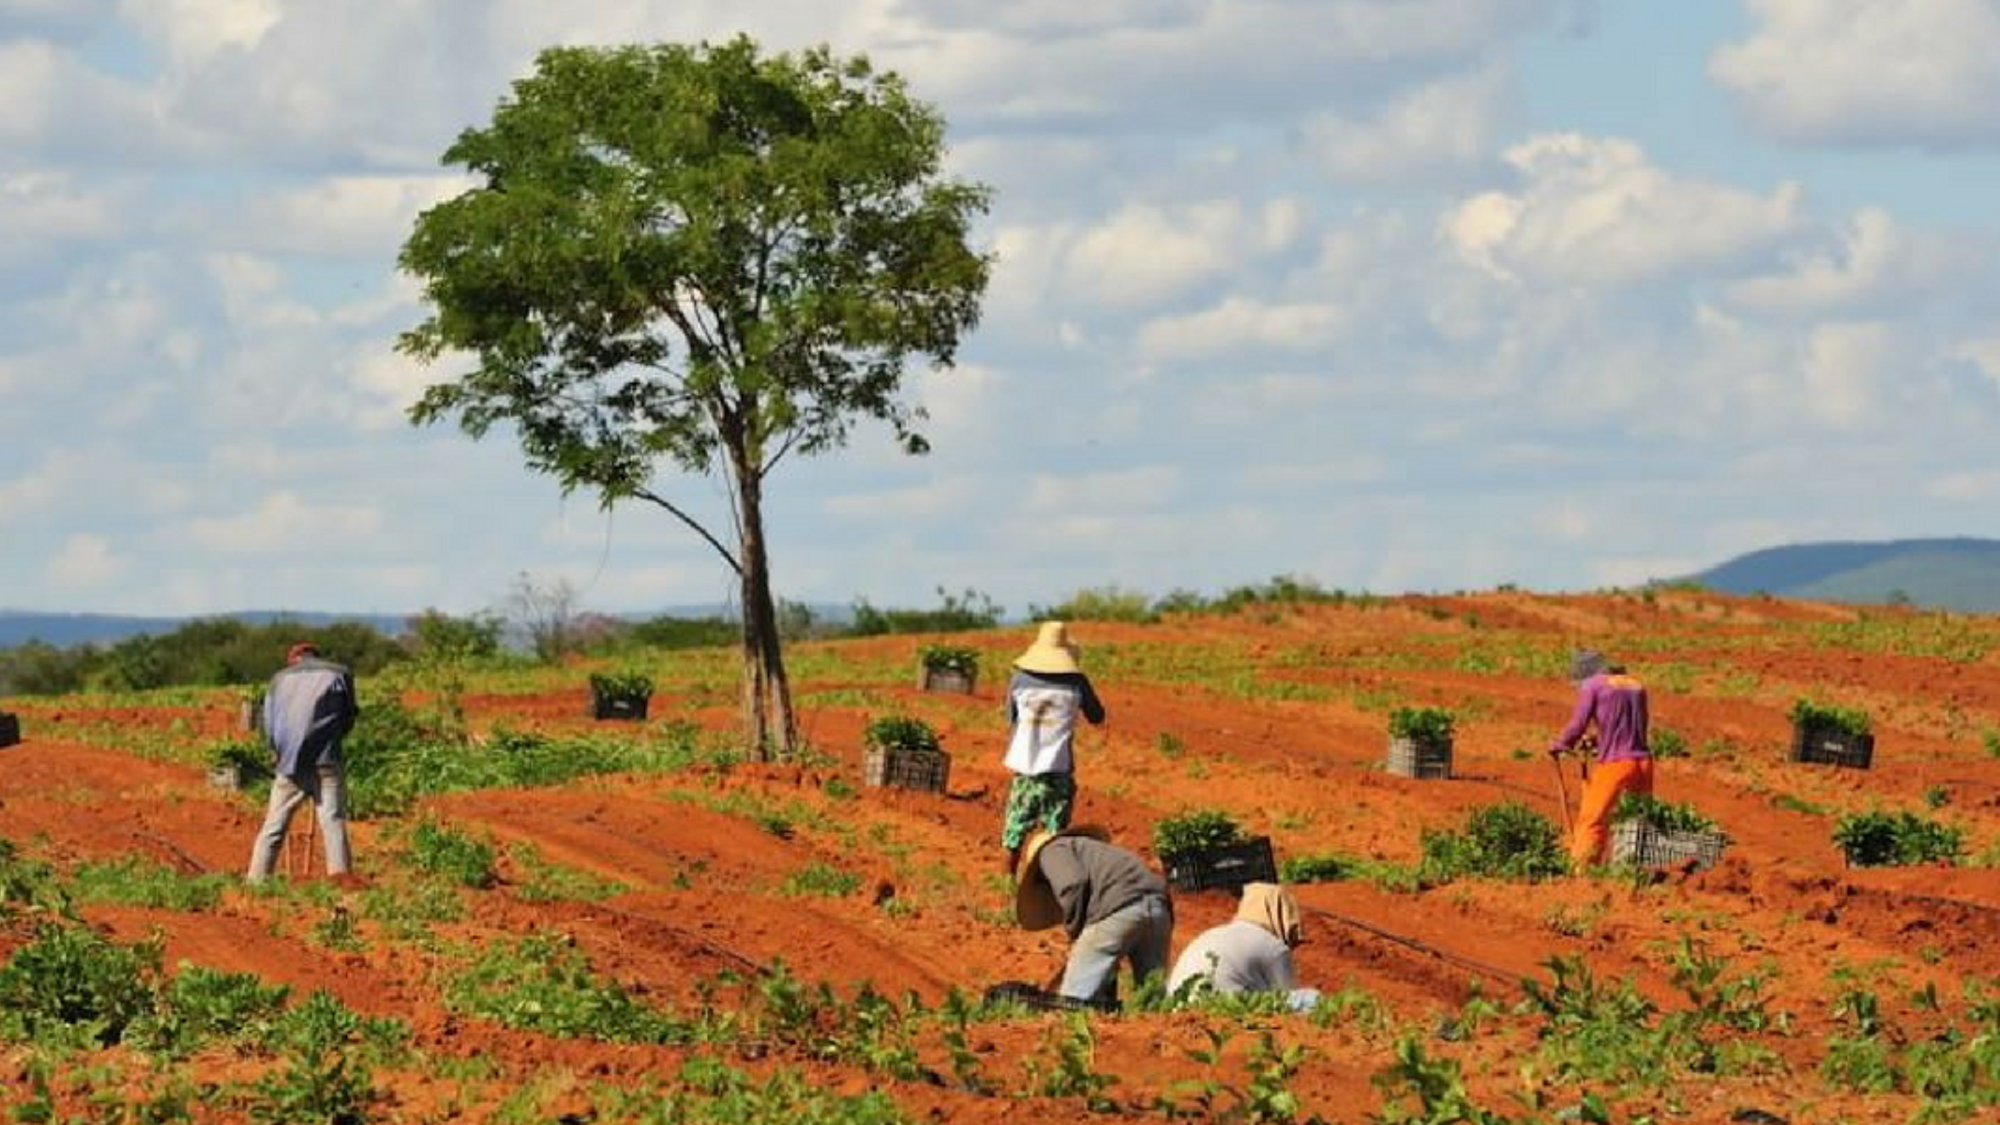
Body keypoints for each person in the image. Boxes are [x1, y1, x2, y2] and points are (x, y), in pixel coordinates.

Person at [1015, 826, 1172, 1006]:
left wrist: (1076, 931)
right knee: (1152, 998)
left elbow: (1073, 885)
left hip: (1118, 909)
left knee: (1072, 1002)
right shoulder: (1096, 852)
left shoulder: (1051, 851)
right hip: (1160, 909)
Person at [246, 642, 359, 882]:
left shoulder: (279, 679)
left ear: (293, 659)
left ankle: (255, 882)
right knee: (332, 821)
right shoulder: (339, 673)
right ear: (315, 657)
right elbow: (349, 715)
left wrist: (276, 751)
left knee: (274, 824)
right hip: (327, 760)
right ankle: (341, 881)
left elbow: (268, 723)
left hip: (289, 764)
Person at [1001, 621, 1106, 872]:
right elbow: (1097, 715)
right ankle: (1045, 890)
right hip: (1059, 769)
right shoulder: (1077, 683)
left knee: (1014, 832)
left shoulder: (1019, 679)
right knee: (1054, 834)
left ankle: (1005, 883)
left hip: (1025, 770)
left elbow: (1011, 718)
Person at [1549, 648, 1652, 867]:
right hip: (1643, 763)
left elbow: (1578, 724)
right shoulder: (1636, 685)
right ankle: (1630, 872)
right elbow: (1633, 729)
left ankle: (1582, 873)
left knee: (1592, 821)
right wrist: (1598, 740)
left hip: (1615, 765)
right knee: (1632, 823)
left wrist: (1561, 744)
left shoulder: (1593, 685)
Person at [1166, 883, 1320, 1012]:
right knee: (1311, 999)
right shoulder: (1273, 946)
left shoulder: (1217, 933)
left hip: (1177, 1007)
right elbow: (1286, 997)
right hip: (1225, 1010)